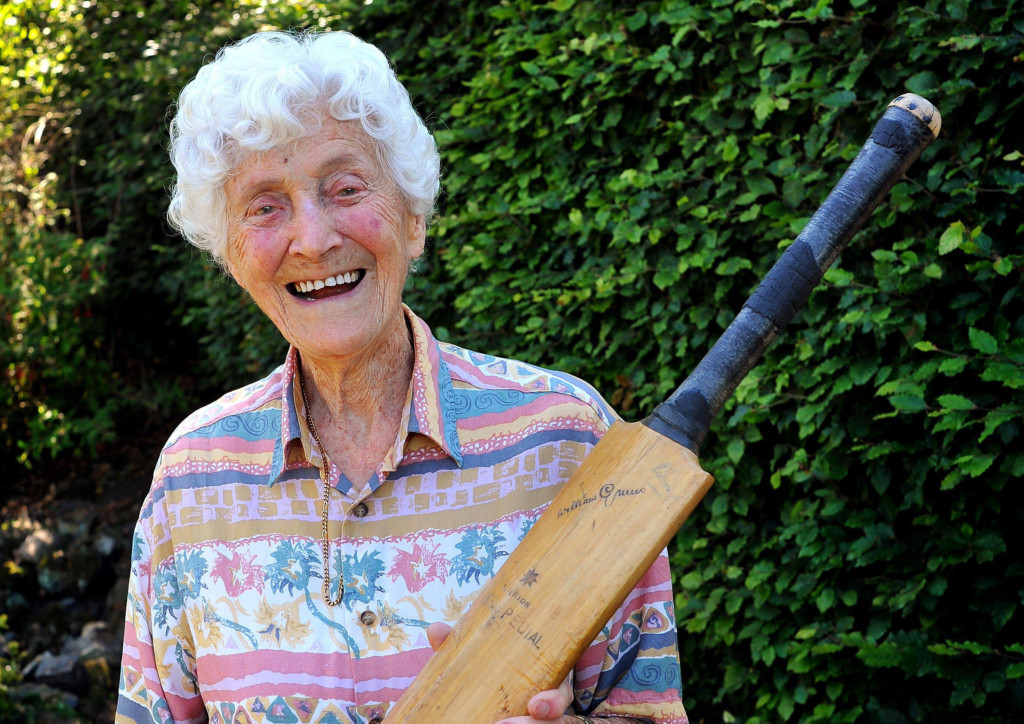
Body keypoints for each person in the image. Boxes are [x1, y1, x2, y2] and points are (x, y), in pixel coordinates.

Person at [116, 29, 688, 724]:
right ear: (233, 255)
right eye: (265, 206)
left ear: (413, 218)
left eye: (346, 188)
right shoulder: (192, 475)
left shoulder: (565, 440)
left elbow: (653, 714)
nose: (315, 238)